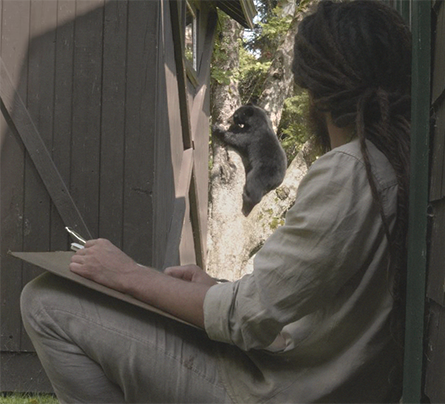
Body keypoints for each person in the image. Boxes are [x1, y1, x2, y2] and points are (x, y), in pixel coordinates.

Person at [20, 0, 411, 403]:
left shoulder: (349, 171)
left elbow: (246, 317)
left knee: (44, 302)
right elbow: (302, 304)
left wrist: (128, 274)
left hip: (272, 390)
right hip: (304, 373)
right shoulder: (384, 164)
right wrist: (217, 287)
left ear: (318, 92)